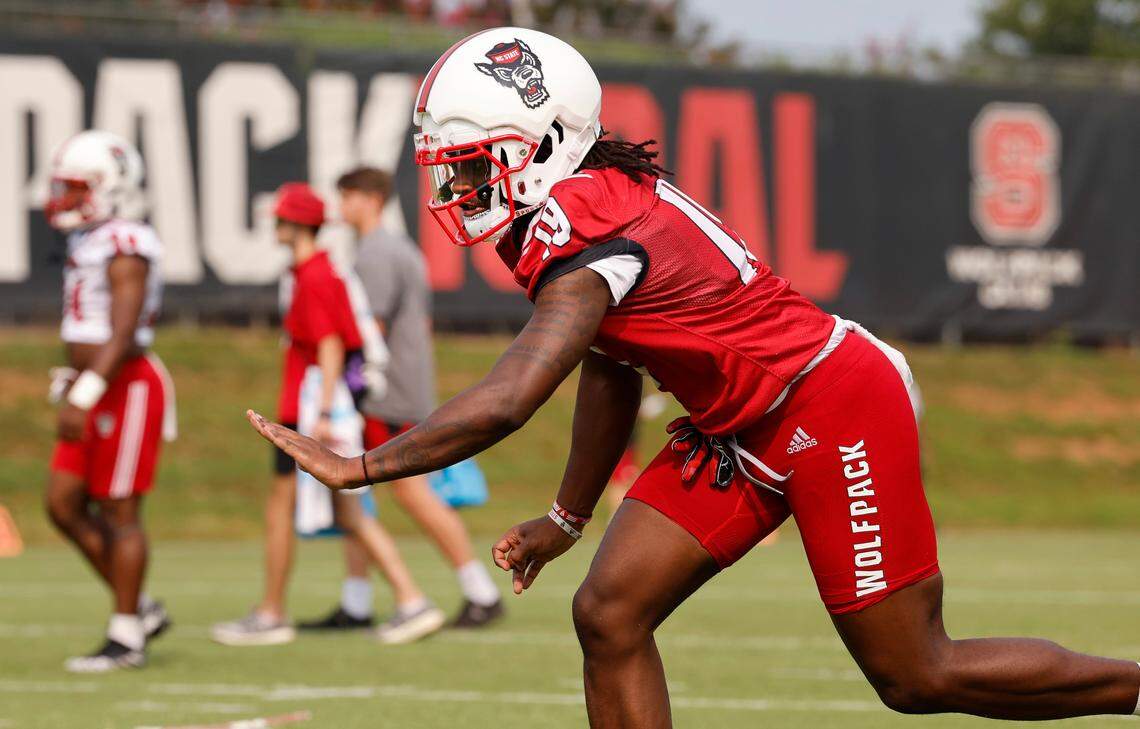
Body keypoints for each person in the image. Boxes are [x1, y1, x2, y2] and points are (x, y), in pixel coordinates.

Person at [248, 28, 1140, 727]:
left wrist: (362, 465)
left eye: (476, 158)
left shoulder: (583, 220)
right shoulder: (567, 209)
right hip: (737, 423)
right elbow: (610, 366)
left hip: (828, 403)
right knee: (608, 613)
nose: (459, 182)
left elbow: (519, 390)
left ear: (546, 143)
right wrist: (567, 516)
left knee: (914, 673)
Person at [212, 183, 445, 646]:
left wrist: (318, 414)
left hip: (311, 407)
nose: (275, 227)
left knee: (284, 510)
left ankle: (273, 611)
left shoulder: (314, 275)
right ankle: (410, 600)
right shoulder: (314, 271)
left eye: (281, 220)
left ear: (297, 225)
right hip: (316, 405)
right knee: (350, 512)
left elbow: (331, 344)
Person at [297, 167, 502, 631]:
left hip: (388, 389)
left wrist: (338, 391)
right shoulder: (391, 248)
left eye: (347, 195)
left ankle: (480, 590)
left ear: (369, 199)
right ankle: (357, 598)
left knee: (409, 490)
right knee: (353, 486)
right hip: (400, 384)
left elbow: (369, 330)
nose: (342, 206)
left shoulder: (378, 253)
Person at [43, 130, 174, 672]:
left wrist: (88, 388)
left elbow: (122, 332)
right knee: (63, 502)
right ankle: (138, 606)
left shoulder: (127, 241)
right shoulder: (90, 239)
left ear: (108, 186)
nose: (67, 198)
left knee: (120, 510)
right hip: (92, 384)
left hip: (125, 384)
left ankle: (126, 636)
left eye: (78, 188)